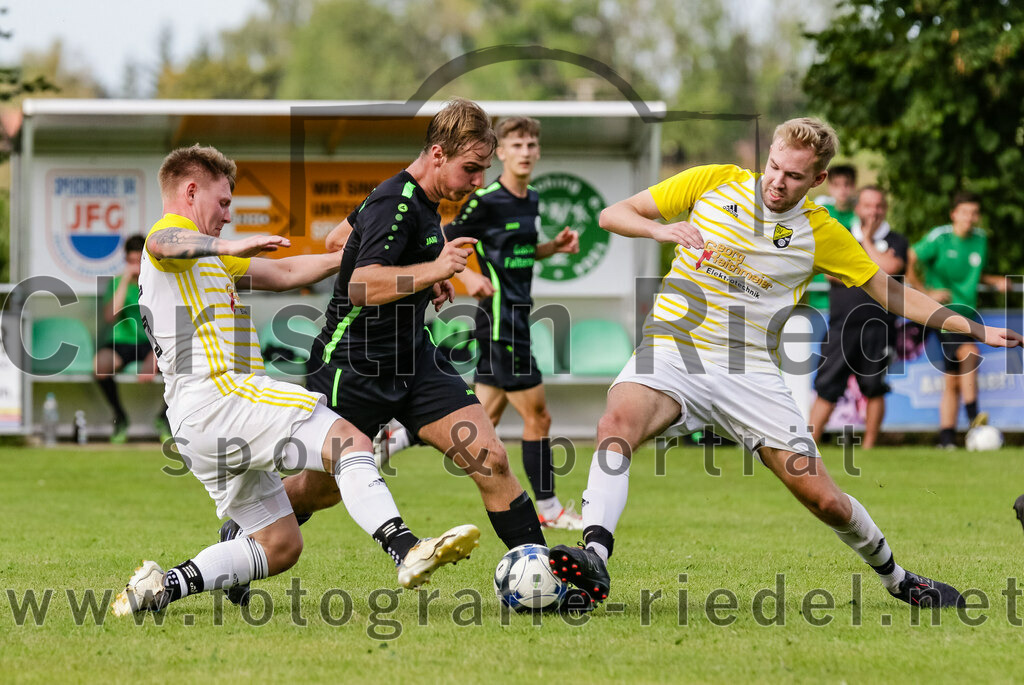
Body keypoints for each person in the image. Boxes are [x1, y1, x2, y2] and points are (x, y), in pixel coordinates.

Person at [546, 118, 1022, 609]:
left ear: (817, 180)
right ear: (766, 156)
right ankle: (595, 555)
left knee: (825, 501)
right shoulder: (713, 182)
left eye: (794, 176)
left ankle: (898, 578)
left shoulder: (821, 231)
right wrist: (659, 229)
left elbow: (889, 291)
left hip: (748, 370)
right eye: (773, 166)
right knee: (615, 424)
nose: (777, 181)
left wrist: (973, 327)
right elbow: (611, 214)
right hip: (673, 348)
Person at [111, 144, 478, 617]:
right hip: (222, 394)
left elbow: (284, 271)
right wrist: (225, 245)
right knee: (350, 441)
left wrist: (359, 256)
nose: (227, 215)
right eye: (222, 203)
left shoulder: (206, 257)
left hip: (197, 423)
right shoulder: (172, 238)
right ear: (189, 190)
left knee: (280, 544)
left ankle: (163, 586)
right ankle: (406, 548)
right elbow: (164, 245)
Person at [269, 99, 548, 556]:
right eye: (472, 169)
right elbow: (359, 285)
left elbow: (339, 240)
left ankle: (544, 574)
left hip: (413, 357)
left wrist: (417, 277)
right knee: (321, 491)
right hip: (352, 364)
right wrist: (429, 272)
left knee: (491, 459)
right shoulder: (393, 201)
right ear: (438, 154)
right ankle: (245, 535)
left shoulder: (425, 200)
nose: (479, 181)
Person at [378, 116, 583, 529]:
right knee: (538, 416)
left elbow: (520, 252)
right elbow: (443, 238)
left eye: (531, 145)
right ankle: (549, 509)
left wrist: (551, 248)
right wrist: (467, 275)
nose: (525, 152)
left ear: (538, 152)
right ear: (501, 152)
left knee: (478, 416)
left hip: (520, 316)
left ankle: (396, 438)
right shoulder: (486, 199)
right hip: (500, 323)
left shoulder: (532, 199)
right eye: (516, 145)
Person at [906, 192, 1009, 448]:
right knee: (969, 353)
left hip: (969, 314)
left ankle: (947, 439)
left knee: (952, 379)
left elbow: (971, 272)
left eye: (974, 213)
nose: (970, 218)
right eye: (964, 212)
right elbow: (909, 256)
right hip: (942, 313)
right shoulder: (940, 237)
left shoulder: (981, 240)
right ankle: (975, 419)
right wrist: (924, 292)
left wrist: (992, 280)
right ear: (954, 214)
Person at [810, 186, 908, 449]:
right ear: (858, 209)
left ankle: (869, 448)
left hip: (880, 327)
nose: (873, 211)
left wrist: (865, 241)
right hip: (842, 327)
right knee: (827, 386)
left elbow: (888, 270)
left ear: (885, 208)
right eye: (867, 205)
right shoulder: (840, 235)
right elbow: (831, 273)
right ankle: (809, 445)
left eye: (878, 206)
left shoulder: (897, 240)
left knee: (873, 387)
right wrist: (870, 258)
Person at [93, 234, 171, 443]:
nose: (135, 266)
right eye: (131, 262)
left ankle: (165, 418)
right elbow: (110, 317)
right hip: (122, 342)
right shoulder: (118, 282)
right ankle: (120, 417)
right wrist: (126, 281)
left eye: (139, 261)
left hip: (151, 343)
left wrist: (155, 358)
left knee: (179, 365)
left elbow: (166, 322)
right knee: (100, 366)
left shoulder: (158, 282)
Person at [807, 164, 857, 310]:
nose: (842, 190)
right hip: (819, 297)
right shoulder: (820, 212)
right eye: (837, 185)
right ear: (829, 186)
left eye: (846, 184)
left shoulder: (861, 216)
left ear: (853, 186)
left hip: (848, 298)